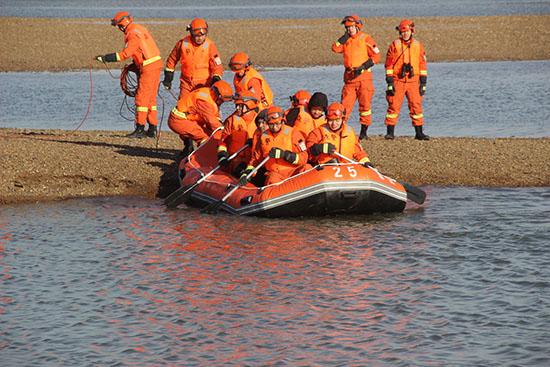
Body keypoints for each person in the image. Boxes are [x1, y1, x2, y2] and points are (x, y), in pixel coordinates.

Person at [95, 11, 163, 138]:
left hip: (148, 67)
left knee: (141, 98)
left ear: (122, 25)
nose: (119, 29)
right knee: (151, 98)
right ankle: (152, 128)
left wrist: (105, 58)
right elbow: (140, 51)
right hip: (155, 64)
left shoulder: (132, 34)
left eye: (118, 26)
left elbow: (125, 54)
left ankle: (140, 129)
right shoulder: (139, 28)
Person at [331, 14, 380, 141]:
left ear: (357, 26)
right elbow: (335, 48)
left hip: (364, 78)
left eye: (351, 27)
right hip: (349, 79)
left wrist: (363, 66)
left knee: (365, 106)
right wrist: (344, 37)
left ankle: (364, 132)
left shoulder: (366, 38)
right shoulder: (345, 40)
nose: (349, 29)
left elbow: (376, 56)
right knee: (344, 106)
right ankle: (340, 130)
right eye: (347, 27)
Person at [384, 19, 429, 140]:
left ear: (412, 31)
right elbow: (388, 64)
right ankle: (390, 133)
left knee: (416, 106)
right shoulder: (395, 45)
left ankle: (419, 133)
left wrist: (423, 83)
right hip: (397, 80)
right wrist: (389, 82)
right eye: (403, 32)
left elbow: (422, 65)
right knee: (393, 106)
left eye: (407, 31)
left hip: (413, 81)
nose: (405, 34)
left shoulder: (418, 45)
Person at [240, 106, 308, 186]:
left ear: (282, 121)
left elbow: (304, 157)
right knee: (272, 179)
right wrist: (247, 173)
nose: (274, 127)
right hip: (275, 175)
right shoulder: (263, 137)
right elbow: (255, 159)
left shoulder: (293, 133)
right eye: (271, 124)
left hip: (293, 171)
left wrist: (284, 155)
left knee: (307, 168)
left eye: (277, 123)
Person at [162, 18, 223, 100]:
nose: (200, 38)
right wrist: (168, 77)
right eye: (197, 36)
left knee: (203, 107)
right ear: (191, 33)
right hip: (186, 84)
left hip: (204, 84)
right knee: (182, 108)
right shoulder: (183, 44)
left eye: (202, 35)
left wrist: (216, 78)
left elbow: (217, 65)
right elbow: (172, 59)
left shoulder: (210, 46)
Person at [167, 80, 233, 156]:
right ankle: (202, 159)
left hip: (186, 119)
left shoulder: (208, 94)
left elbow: (214, 118)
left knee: (211, 135)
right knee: (204, 138)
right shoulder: (204, 101)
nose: (221, 103)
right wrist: (225, 134)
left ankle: (193, 152)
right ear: (217, 95)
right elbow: (211, 121)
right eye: (221, 100)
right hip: (179, 121)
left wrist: (221, 127)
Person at [306, 102, 372, 166]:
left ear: (343, 119)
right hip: (325, 168)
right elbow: (308, 150)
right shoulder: (318, 132)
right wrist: (319, 148)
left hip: (346, 168)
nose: (334, 124)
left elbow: (358, 151)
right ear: (327, 119)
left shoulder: (350, 132)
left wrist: (365, 161)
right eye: (331, 120)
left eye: (337, 120)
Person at [217, 91, 260, 176]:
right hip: (236, 160)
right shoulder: (232, 120)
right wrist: (222, 156)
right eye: (236, 106)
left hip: (254, 161)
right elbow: (223, 141)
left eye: (240, 106)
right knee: (240, 170)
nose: (237, 108)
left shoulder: (260, 122)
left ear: (249, 105)